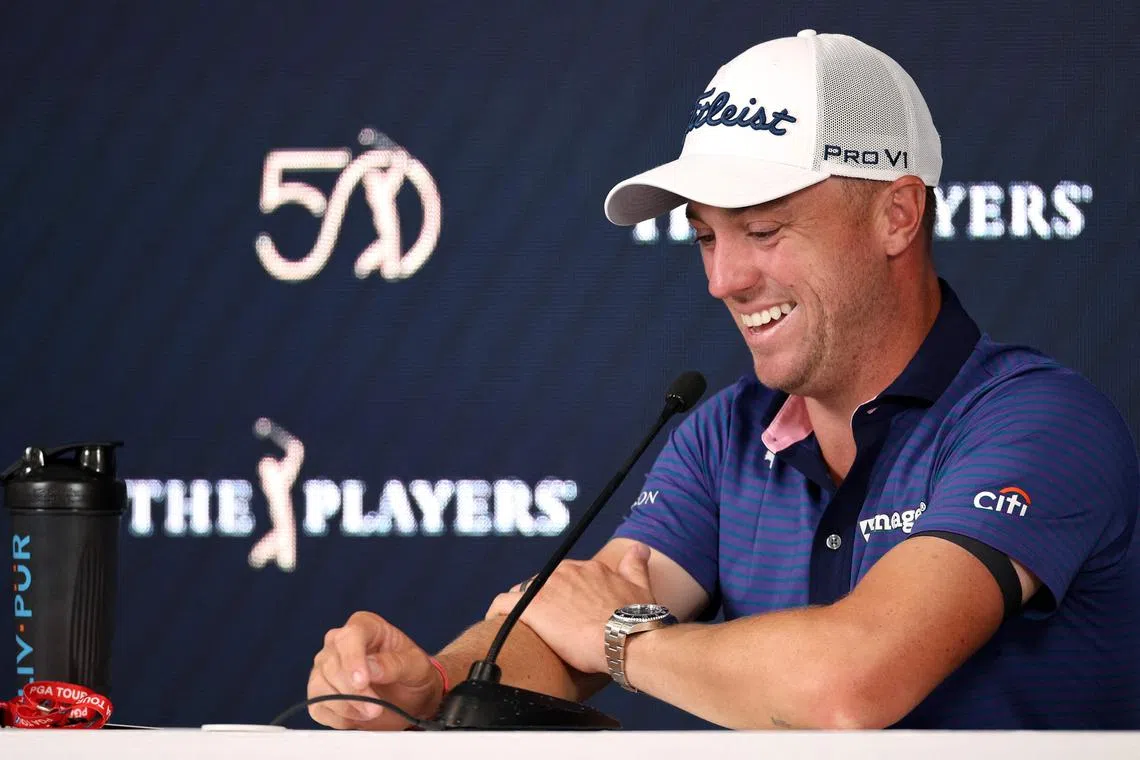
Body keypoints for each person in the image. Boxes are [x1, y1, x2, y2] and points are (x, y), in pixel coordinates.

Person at [307, 30, 1140, 729]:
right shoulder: (723, 434)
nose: (723, 280)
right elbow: (585, 613)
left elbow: (850, 685)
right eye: (706, 237)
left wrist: (625, 640)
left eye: (764, 230)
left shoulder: (1040, 422)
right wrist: (434, 688)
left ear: (897, 215)